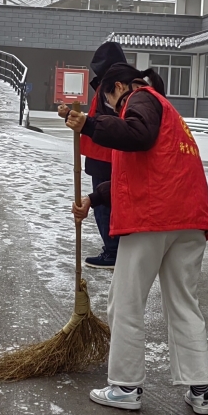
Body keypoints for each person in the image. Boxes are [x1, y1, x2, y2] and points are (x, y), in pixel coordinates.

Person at [65, 64, 208, 415]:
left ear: (120, 87)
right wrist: (95, 198)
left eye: (109, 100)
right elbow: (142, 169)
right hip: (188, 219)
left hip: (153, 218)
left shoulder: (141, 100)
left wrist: (89, 124)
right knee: (183, 302)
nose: (113, 110)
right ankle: (200, 390)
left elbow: (137, 136)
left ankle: (125, 386)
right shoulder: (166, 111)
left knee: (126, 300)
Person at [77, 41, 125, 269]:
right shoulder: (117, 84)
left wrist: (84, 123)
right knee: (110, 201)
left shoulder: (112, 87)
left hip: (105, 153)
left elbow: (107, 122)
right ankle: (115, 248)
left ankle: (112, 251)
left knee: (104, 203)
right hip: (105, 152)